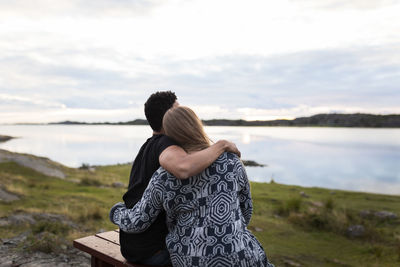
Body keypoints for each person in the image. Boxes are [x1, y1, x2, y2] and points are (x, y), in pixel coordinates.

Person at [111, 106, 274, 267]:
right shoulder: (231, 162)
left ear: (169, 135)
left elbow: (138, 222)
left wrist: (116, 211)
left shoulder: (163, 177)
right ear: (197, 125)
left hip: (189, 259)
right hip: (239, 254)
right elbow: (246, 210)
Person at [120, 92, 241, 266]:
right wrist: (221, 145)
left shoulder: (148, 145)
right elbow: (183, 168)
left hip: (133, 245)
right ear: (169, 117)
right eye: (179, 110)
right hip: (154, 251)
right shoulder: (166, 144)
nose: (183, 114)